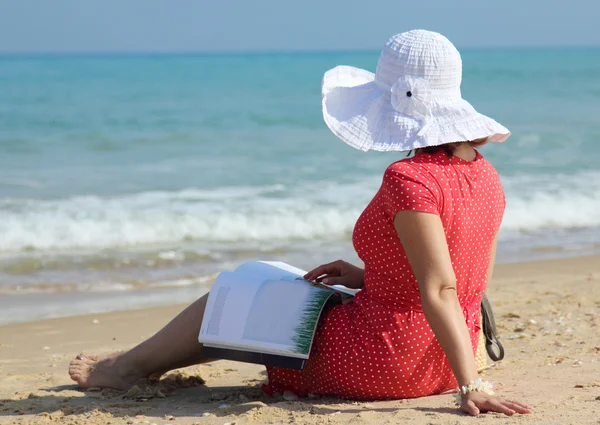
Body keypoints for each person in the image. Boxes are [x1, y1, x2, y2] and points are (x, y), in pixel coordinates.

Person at [69, 30, 533, 417]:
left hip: (386, 358)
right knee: (275, 300)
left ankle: (125, 368)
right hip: (446, 356)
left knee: (240, 298)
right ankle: (135, 365)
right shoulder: (484, 173)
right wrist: (368, 277)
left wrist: (472, 387)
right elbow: (469, 280)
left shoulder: (408, 177)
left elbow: (440, 290)